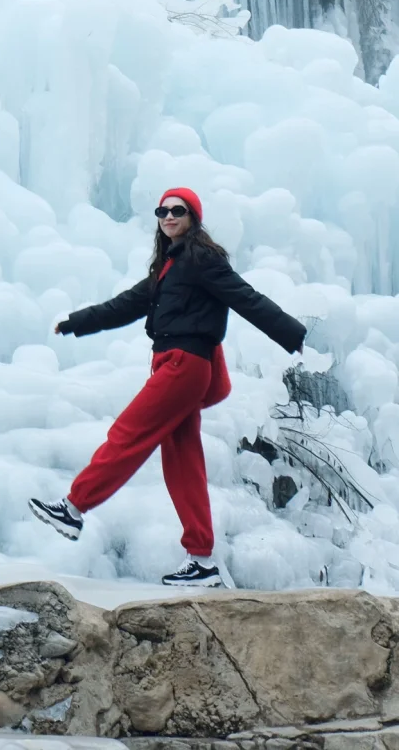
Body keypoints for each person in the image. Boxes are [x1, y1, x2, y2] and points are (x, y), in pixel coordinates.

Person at [29, 186, 306, 588]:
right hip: (174, 365)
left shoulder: (200, 258)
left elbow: (245, 297)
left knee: (129, 433)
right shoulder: (167, 268)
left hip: (184, 364)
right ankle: (202, 560)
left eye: (179, 210)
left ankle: (73, 508)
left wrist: (291, 334)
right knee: (182, 462)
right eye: (163, 210)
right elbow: (123, 305)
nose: (169, 216)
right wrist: (76, 322)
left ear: (194, 217)